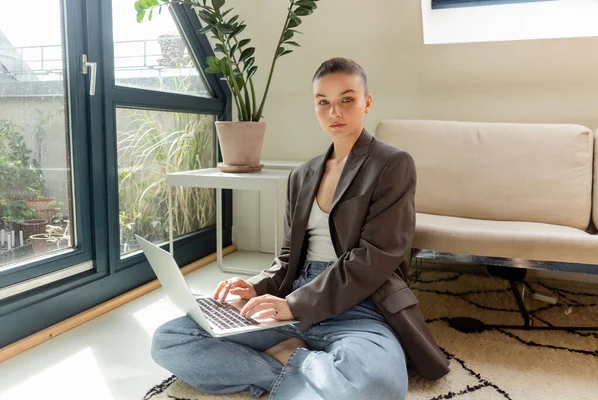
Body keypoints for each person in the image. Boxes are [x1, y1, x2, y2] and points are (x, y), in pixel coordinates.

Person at [151, 57, 450, 400]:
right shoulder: (302, 175)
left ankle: (287, 358)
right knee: (171, 339)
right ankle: (298, 364)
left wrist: (295, 304)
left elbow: (376, 257)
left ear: (367, 102)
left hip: (361, 305)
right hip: (292, 299)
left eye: (347, 99)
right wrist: (255, 286)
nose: (334, 112)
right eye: (323, 102)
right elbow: (287, 258)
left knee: (376, 384)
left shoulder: (393, 163)